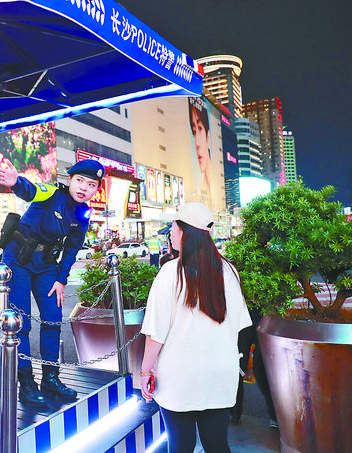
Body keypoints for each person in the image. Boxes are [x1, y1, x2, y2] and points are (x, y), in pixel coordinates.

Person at [0, 158, 104, 408]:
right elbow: (30, 190)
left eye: (91, 185)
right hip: (18, 259)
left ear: (96, 189)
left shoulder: (83, 214)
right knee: (20, 322)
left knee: (53, 318)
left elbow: (72, 249)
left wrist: (62, 280)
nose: (84, 188)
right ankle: (26, 383)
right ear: (69, 180)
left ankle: (50, 378)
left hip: (46, 264)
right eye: (80, 180)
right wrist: (15, 182)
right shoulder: (51, 192)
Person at [140, 202, 251, 453]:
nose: (170, 234)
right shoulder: (229, 271)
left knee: (180, 445)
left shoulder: (169, 273)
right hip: (219, 373)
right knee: (217, 444)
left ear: (185, 233)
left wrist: (145, 372)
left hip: (179, 376)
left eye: (173, 228)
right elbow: (238, 326)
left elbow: (156, 334)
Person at [189, 97, 214, 208]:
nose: (197, 143)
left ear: (208, 138)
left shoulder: (213, 184)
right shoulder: (198, 190)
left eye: (199, 128)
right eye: (194, 131)